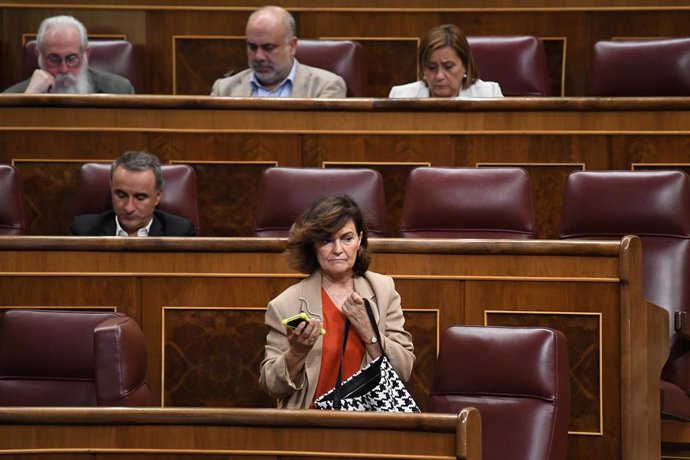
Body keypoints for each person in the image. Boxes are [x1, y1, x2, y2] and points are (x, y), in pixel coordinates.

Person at [260, 195, 415, 409]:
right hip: (310, 426)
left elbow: (404, 371)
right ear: (313, 246)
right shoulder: (285, 305)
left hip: (369, 423)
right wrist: (295, 354)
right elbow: (272, 385)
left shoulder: (383, 291)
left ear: (360, 239)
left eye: (347, 238)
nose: (338, 249)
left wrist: (371, 335)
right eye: (326, 241)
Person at [210, 6, 346, 98]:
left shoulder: (325, 87)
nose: (259, 57)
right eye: (252, 47)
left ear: (292, 46)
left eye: (268, 47)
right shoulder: (224, 90)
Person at [70, 151, 196, 237]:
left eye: (140, 197)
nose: (129, 208)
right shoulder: (83, 231)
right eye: (121, 195)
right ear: (111, 188)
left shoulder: (179, 232)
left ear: (157, 196)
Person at [3, 15, 134, 94]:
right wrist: (29, 98)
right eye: (54, 59)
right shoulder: (13, 97)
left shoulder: (120, 90)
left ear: (86, 54)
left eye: (71, 58)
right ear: (39, 55)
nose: (64, 69)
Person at [388, 24, 503, 98]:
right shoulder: (400, 97)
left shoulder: (489, 95)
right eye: (431, 68)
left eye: (448, 67)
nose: (439, 76)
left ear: (465, 66)